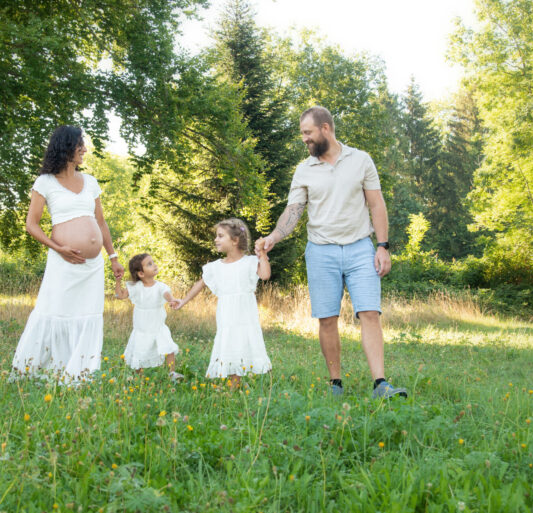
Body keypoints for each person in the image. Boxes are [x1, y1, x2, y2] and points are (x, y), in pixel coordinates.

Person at [255, 106, 407, 399]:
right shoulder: (304, 169)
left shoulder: (360, 160)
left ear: (325, 128)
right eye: (302, 134)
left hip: (361, 248)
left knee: (370, 313)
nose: (304, 139)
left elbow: (376, 205)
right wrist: (274, 236)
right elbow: (294, 210)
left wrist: (383, 247)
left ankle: (381, 384)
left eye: (308, 132)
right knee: (327, 318)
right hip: (321, 251)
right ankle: (335, 384)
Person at [11, 125, 124, 382]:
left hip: (92, 266)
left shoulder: (91, 182)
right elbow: (32, 224)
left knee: (87, 316)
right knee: (54, 311)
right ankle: (35, 370)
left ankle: (80, 373)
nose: (84, 149)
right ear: (65, 147)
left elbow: (101, 223)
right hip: (63, 262)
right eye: (79, 144)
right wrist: (58, 247)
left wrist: (113, 257)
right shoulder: (45, 182)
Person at [173, 218, 272, 387]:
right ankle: (235, 382)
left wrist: (262, 255)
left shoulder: (249, 262)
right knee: (230, 342)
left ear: (234, 241)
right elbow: (201, 283)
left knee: (245, 341)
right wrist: (184, 301)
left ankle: (241, 380)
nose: (215, 239)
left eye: (220, 236)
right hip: (227, 314)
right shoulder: (215, 267)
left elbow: (265, 275)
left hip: (245, 314)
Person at [114, 253, 184, 382]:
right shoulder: (136, 287)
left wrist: (172, 300)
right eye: (150, 264)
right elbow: (121, 295)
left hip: (158, 326)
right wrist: (118, 281)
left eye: (153, 262)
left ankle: (172, 373)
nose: (155, 265)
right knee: (140, 350)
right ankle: (138, 376)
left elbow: (166, 294)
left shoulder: (160, 286)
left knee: (169, 347)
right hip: (142, 327)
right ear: (141, 273)